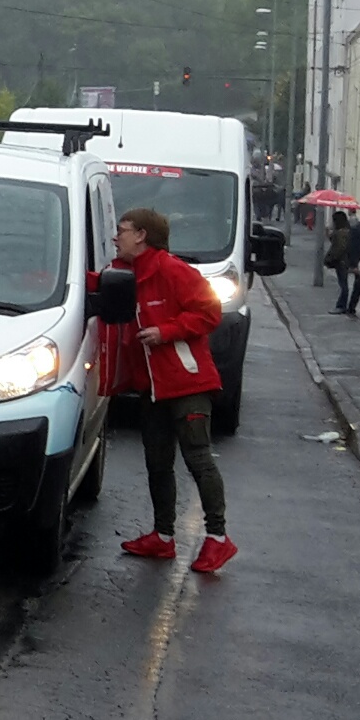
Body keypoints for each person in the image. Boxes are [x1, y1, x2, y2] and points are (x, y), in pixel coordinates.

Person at [110, 208, 236, 573]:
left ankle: (217, 538)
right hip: (152, 386)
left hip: (187, 383)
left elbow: (210, 312)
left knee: (198, 457)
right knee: (157, 462)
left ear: (142, 236)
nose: (116, 237)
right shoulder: (124, 274)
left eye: (123, 230)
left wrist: (166, 331)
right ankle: (163, 537)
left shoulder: (174, 271)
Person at [327, 209, 353, 312]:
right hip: (346, 260)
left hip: (342, 261)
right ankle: (344, 305)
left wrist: (332, 258)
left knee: (343, 284)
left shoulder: (340, 232)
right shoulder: (348, 230)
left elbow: (339, 247)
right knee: (344, 283)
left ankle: (341, 306)